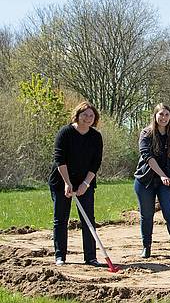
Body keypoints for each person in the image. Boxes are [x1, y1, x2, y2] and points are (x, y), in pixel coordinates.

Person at [49, 102, 103, 267]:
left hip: (85, 182)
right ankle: (60, 256)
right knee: (61, 219)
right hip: (61, 180)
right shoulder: (65, 132)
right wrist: (67, 183)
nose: (87, 118)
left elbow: (96, 163)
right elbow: (60, 159)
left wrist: (85, 184)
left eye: (91, 116)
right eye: (84, 115)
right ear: (77, 115)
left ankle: (91, 257)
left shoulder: (95, 137)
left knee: (88, 219)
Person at [133, 103, 170, 260]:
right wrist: (162, 175)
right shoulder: (146, 134)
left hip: (167, 181)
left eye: (167, 115)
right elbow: (148, 157)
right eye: (161, 114)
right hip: (146, 180)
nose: (164, 118)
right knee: (147, 215)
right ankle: (146, 246)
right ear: (155, 116)